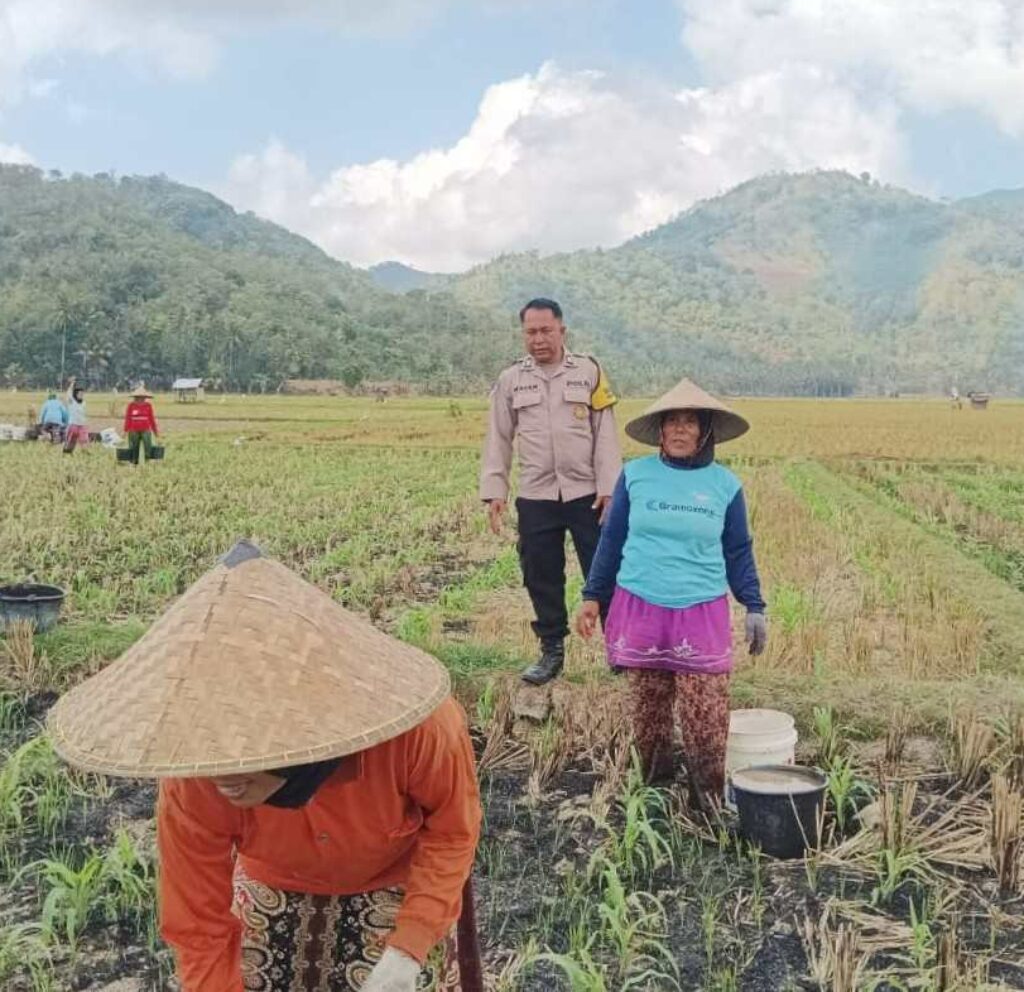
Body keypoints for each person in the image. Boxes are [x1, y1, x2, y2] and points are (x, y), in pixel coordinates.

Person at [48, 540, 483, 992]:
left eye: (252, 755)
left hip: (394, 878)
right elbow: (198, 925)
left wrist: (407, 949)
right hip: (272, 878)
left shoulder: (421, 729)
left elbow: (453, 832)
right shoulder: (195, 772)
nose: (224, 779)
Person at [576, 379, 767, 808]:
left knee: (707, 713)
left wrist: (754, 604)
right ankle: (656, 794)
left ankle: (707, 801)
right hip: (640, 604)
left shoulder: (724, 485)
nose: (680, 430)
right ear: (660, 432)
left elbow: (738, 549)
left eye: (690, 423)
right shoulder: (636, 476)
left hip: (700, 608)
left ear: (705, 434)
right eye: (672, 422)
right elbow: (612, 539)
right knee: (648, 711)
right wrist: (593, 595)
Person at [480, 297, 622, 685]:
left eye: (546, 330)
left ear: (562, 330)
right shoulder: (511, 380)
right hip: (537, 493)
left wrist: (610, 488)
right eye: (531, 332)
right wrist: (495, 490)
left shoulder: (588, 372)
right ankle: (551, 649)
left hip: (586, 492)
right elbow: (499, 438)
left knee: (604, 566)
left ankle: (618, 649)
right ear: (523, 334)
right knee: (540, 572)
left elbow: (604, 433)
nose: (538, 339)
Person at [123, 384, 159, 464]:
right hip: (133, 430)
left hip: (146, 429)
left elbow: (151, 419)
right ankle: (134, 463)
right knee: (133, 448)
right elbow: (128, 418)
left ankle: (147, 462)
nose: (141, 399)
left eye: (143, 397)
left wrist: (155, 431)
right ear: (135, 397)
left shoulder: (148, 406)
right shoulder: (131, 406)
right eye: (139, 397)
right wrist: (125, 430)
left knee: (148, 446)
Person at [62, 378, 89, 453]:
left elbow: (83, 414)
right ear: (75, 394)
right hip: (73, 425)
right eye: (80, 394)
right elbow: (68, 394)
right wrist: (71, 385)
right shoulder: (72, 402)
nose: (81, 395)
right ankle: (67, 452)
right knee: (71, 441)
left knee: (84, 440)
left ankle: (85, 452)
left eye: (82, 394)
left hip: (82, 425)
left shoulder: (83, 403)